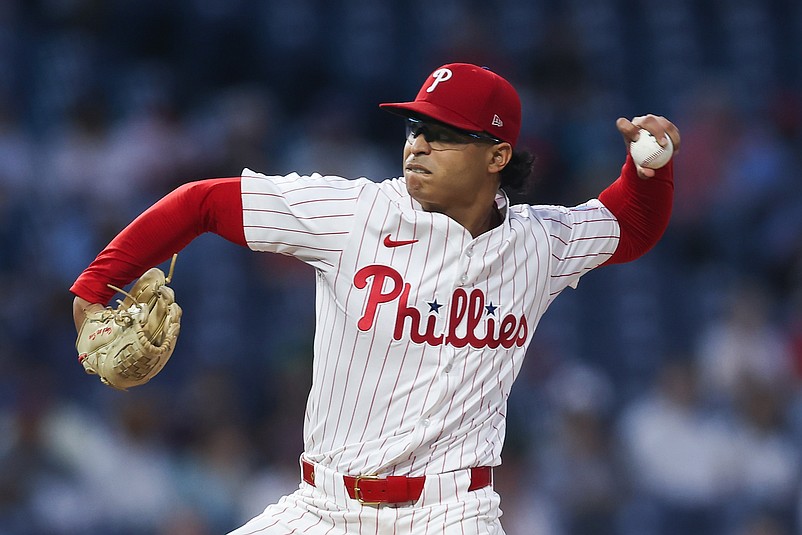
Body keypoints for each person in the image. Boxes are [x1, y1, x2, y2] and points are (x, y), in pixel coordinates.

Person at [70, 63, 679, 534]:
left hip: (450, 514)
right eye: (416, 128)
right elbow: (201, 202)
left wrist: (647, 173)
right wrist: (94, 288)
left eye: (443, 135)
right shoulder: (353, 213)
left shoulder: (539, 243)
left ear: (497, 155)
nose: (417, 145)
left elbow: (628, 225)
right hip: (323, 507)